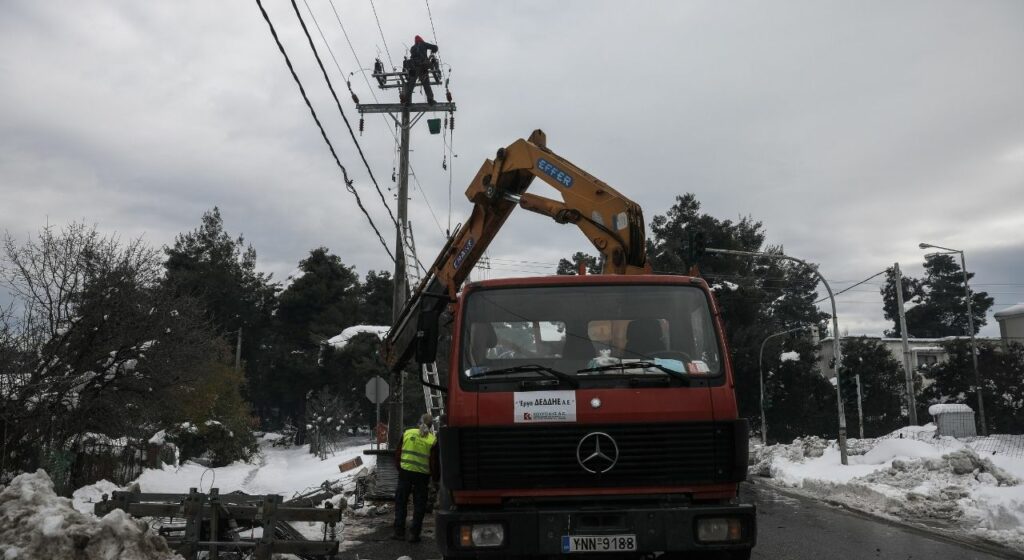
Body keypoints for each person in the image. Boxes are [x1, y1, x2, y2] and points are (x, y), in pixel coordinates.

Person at [392, 413, 438, 543]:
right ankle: (414, 534)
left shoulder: (407, 433)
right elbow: (434, 463)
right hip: (422, 476)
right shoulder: (432, 440)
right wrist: (435, 478)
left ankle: (399, 532)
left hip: (405, 473)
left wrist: (400, 468)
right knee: (419, 505)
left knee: (401, 502)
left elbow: (398, 453)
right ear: (431, 426)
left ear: (419, 422)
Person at [402, 35, 439, 105]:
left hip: (413, 68)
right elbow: (435, 47)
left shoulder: (412, 48)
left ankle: (407, 102)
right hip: (422, 67)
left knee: (411, 85)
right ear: (421, 39)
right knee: (426, 84)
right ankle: (430, 100)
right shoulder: (423, 44)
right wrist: (433, 51)